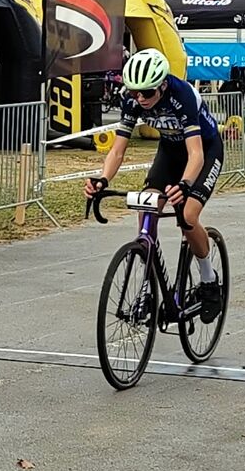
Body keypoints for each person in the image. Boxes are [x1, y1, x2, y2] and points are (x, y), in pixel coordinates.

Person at [84, 47, 225, 323]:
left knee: (188, 216)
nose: (140, 98)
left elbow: (196, 154)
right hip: (170, 151)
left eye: (146, 93)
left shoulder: (181, 95)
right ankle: (148, 288)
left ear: (161, 85)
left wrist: (185, 185)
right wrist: (103, 179)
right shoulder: (133, 100)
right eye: (134, 92)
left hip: (205, 150)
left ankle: (209, 281)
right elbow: (117, 150)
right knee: (146, 205)